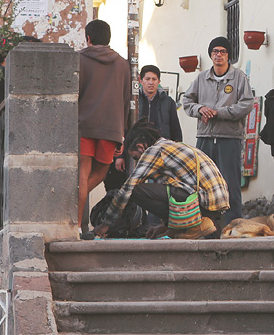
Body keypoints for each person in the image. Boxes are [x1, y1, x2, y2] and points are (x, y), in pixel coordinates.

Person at [91, 122, 229, 241]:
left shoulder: (155, 150)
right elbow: (174, 190)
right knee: (161, 188)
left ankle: (194, 226)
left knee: (136, 191)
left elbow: (127, 189)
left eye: (135, 157)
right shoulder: (172, 146)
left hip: (203, 202)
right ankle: (181, 227)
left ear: (140, 147)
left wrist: (106, 224)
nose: (137, 161)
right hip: (215, 204)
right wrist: (165, 227)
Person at [180, 36, 256, 229]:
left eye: (222, 52)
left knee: (229, 183)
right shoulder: (201, 77)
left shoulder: (239, 77)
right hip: (205, 137)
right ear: (211, 55)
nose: (218, 55)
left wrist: (219, 113)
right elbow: (187, 101)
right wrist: (200, 109)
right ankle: (205, 225)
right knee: (203, 182)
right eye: (215, 52)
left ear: (228, 56)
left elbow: (247, 104)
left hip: (229, 137)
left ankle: (233, 225)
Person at [77, 19, 132, 237]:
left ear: (88, 38)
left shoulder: (80, 60)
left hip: (85, 126)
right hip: (111, 127)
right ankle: (79, 219)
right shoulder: (123, 64)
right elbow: (126, 99)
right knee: (100, 173)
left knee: (82, 172)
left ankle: (75, 222)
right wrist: (123, 134)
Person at [136, 64, 183, 142]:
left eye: (154, 79)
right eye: (147, 79)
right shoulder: (134, 100)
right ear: (141, 81)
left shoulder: (168, 102)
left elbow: (175, 128)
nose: (151, 82)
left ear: (159, 82)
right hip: (139, 146)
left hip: (162, 147)